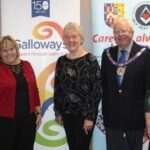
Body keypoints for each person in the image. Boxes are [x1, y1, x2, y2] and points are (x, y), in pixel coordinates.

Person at [101, 17, 150, 150]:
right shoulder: (107, 54)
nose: (120, 34)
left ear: (132, 32)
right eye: (116, 32)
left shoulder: (145, 55)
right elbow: (103, 86)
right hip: (112, 119)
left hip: (135, 119)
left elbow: (148, 89)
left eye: (124, 31)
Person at [53, 22, 101, 150]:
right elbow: (58, 88)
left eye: (74, 36)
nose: (71, 40)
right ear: (63, 40)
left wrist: (90, 117)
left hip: (85, 115)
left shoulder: (90, 60)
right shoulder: (61, 61)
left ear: (81, 38)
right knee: (72, 146)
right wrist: (57, 111)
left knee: (81, 147)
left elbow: (96, 91)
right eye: (67, 37)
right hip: (67, 113)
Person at [0, 35, 41, 150]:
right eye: (4, 50)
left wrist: (38, 112)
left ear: (16, 50)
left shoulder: (27, 65)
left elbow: (34, 89)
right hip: (5, 121)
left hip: (28, 120)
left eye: (11, 49)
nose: (9, 53)